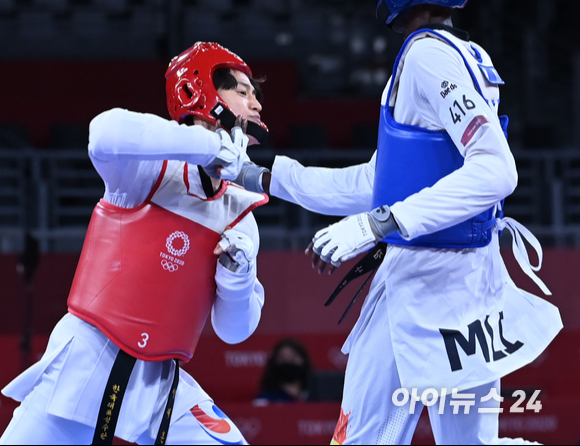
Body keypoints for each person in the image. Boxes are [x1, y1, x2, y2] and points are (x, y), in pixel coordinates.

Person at [234, 1, 563, 444]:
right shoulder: (460, 53)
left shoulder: (428, 56)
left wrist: (381, 223)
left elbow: (496, 170)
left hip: (424, 283)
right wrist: (271, 178)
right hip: (466, 289)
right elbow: (379, 182)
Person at [0, 42, 269, 445]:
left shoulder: (241, 216)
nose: (257, 104)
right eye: (243, 92)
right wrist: (211, 147)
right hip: (84, 362)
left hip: (160, 385)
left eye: (256, 95)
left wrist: (238, 278)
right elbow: (102, 133)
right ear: (202, 94)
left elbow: (234, 332)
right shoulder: (146, 170)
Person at [255, 338, 312, 404]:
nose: (288, 362)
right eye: (282, 358)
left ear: (303, 360)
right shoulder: (264, 400)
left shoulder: (316, 396)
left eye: (293, 357)